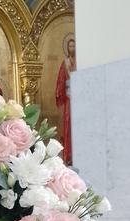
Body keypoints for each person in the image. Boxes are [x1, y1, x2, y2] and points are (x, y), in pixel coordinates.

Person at [55, 37, 76, 166]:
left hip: (80, 97)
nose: (72, 49)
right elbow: (61, 81)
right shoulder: (65, 64)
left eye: (74, 46)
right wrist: (59, 91)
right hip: (69, 97)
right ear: (67, 48)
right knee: (69, 127)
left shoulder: (80, 62)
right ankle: (69, 156)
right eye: (70, 46)